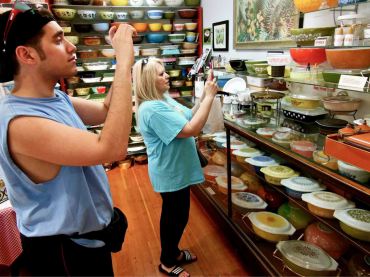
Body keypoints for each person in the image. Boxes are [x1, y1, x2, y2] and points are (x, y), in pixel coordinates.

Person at [0, 3, 135, 276]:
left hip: (86, 241)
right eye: (59, 40)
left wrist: (119, 62)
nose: (71, 47)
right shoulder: (20, 122)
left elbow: (106, 110)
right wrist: (124, 61)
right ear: (26, 55)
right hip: (62, 253)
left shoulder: (55, 97)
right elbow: (112, 148)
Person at [132, 57, 218, 277]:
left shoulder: (163, 99)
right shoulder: (152, 109)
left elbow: (189, 115)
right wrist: (209, 97)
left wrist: (203, 97)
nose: (167, 75)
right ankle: (167, 261)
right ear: (148, 81)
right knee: (174, 217)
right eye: (160, 74)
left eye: (165, 72)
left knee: (179, 215)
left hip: (177, 169)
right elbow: (190, 129)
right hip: (170, 173)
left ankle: (174, 252)